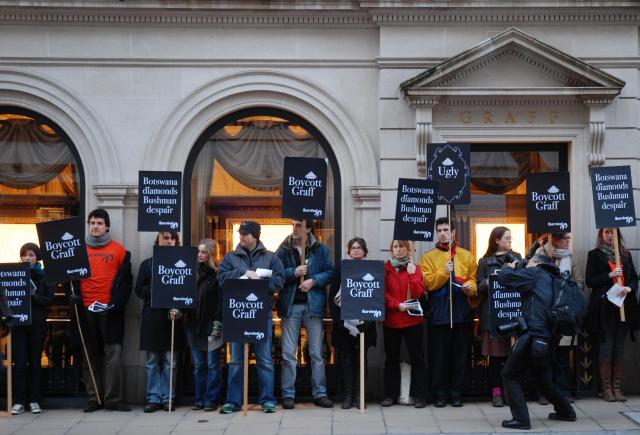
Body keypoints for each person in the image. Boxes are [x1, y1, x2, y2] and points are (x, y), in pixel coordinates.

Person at [497, 255, 576, 430]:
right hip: (548, 338)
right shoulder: (553, 278)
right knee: (538, 377)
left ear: (538, 263)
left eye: (530, 261)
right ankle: (566, 411)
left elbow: (504, 278)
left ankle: (521, 419)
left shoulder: (536, 273)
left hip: (533, 335)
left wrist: (508, 266)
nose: (526, 264)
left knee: (509, 374)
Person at [217, 221, 285, 414]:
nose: (241, 237)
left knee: (264, 360)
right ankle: (233, 401)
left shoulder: (271, 257)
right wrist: (242, 273)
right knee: (237, 360)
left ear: (255, 236)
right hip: (237, 315)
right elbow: (220, 278)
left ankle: (267, 400)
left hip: (262, 315)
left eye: (245, 234)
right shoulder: (230, 257)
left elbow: (280, 280)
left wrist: (262, 281)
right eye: (241, 233)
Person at [74, 208, 133, 412]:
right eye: (92, 223)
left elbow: (126, 282)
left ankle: (112, 400)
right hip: (85, 309)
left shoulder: (119, 250)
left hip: (111, 311)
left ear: (107, 226)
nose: (95, 226)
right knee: (88, 355)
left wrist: (116, 304)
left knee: (113, 356)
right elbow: (68, 278)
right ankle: (94, 397)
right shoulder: (77, 250)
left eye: (99, 223)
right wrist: (72, 297)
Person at [276, 219, 335, 409]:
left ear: (308, 228)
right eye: (293, 225)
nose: (295, 228)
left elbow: (330, 272)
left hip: (313, 307)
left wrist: (313, 281)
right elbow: (276, 273)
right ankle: (287, 394)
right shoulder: (283, 248)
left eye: (299, 225)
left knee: (317, 353)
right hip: (290, 307)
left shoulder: (321, 249)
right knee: (288, 354)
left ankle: (320, 393)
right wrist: (293, 272)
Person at [419, 217, 477, 407]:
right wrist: (444, 271)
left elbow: (473, 279)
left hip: (461, 313)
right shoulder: (428, 257)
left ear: (453, 232)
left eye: (446, 230)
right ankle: (440, 394)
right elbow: (427, 284)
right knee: (439, 358)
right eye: (439, 230)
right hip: (439, 314)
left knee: (459, 356)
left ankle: (456, 393)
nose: (442, 233)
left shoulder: (466, 255)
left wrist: (470, 286)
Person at [585, 228, 639, 402]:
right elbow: (590, 280)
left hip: (623, 307)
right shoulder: (594, 255)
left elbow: (634, 278)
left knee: (619, 349)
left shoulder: (625, 254)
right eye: (607, 232)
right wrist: (609, 274)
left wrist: (629, 287)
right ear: (601, 234)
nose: (610, 235)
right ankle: (606, 389)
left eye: (613, 233)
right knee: (606, 348)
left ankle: (617, 387)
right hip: (604, 309)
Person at [135, 232, 182, 413]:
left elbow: (187, 292)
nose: (168, 241)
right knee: (152, 361)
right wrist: (158, 285)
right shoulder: (147, 264)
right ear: (158, 241)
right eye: (165, 238)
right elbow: (139, 290)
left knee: (171, 362)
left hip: (172, 317)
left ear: (176, 242)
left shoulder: (182, 263)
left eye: (172, 238)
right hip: (152, 317)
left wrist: (179, 310)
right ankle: (153, 398)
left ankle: (168, 398)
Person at [329, 237, 377, 409]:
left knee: (361, 360)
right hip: (345, 324)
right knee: (347, 360)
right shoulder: (342, 269)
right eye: (353, 248)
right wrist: (338, 321)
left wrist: (370, 322)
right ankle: (348, 396)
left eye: (359, 247)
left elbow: (376, 297)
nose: (356, 250)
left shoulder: (372, 269)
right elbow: (332, 296)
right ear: (348, 251)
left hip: (365, 324)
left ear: (364, 251)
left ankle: (359, 396)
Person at [476, 227, 521, 408]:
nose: (510, 240)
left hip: (512, 313)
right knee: (495, 358)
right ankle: (496, 393)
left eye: (511, 237)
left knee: (513, 357)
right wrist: (492, 279)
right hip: (492, 315)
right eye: (507, 238)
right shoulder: (485, 261)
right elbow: (479, 286)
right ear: (496, 240)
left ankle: (511, 391)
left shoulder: (517, 257)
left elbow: (525, 279)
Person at [381, 240, 427, 408]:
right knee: (391, 359)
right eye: (396, 247)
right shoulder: (385, 268)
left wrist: (413, 275)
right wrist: (396, 305)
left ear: (408, 249)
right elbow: (382, 293)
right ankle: (389, 395)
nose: (399, 250)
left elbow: (419, 293)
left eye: (402, 246)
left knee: (417, 358)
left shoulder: (415, 268)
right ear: (391, 250)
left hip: (412, 321)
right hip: (392, 320)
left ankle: (420, 395)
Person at [11, 243, 54, 415]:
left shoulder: (45, 276)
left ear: (37, 257)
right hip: (19, 324)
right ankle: (19, 401)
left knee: (35, 363)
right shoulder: (15, 274)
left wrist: (34, 295)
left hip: (37, 323)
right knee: (19, 363)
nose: (27, 258)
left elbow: (50, 300)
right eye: (24, 255)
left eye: (31, 255)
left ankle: (35, 400)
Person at [541, 232, 584, 403]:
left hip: (564, 314)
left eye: (569, 239)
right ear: (553, 239)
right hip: (544, 312)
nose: (567, 242)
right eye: (563, 238)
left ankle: (563, 391)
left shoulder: (570, 258)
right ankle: (545, 392)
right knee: (544, 354)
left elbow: (579, 282)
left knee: (562, 355)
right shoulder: (540, 255)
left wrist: (568, 292)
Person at [184, 238, 224, 411]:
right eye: (198, 252)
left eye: (204, 252)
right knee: (199, 364)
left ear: (211, 254)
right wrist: (180, 311)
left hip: (212, 325)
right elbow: (184, 297)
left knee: (213, 364)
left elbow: (221, 301)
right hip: (194, 325)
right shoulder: (191, 273)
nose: (199, 255)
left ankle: (211, 399)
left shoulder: (218, 275)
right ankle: (199, 398)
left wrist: (218, 322)